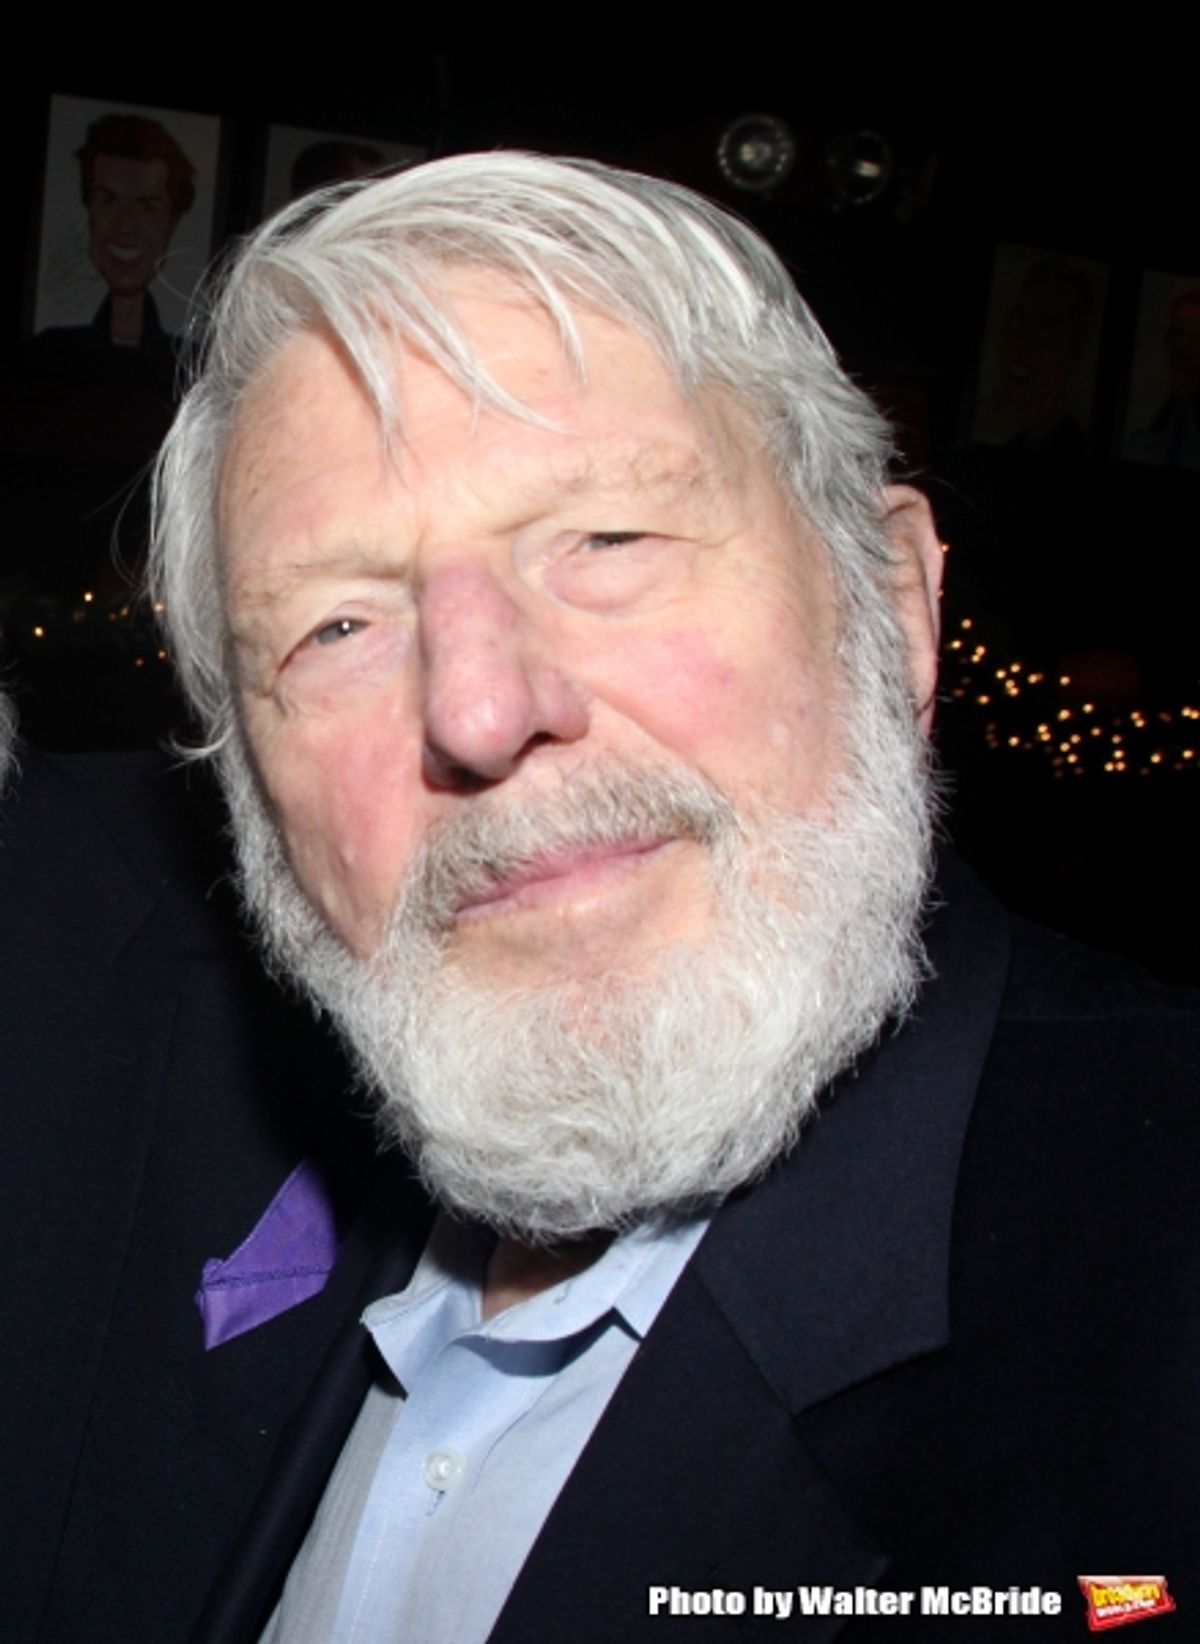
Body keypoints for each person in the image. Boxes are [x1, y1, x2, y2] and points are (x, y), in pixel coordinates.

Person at [14, 155, 1199, 1640]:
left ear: (893, 603)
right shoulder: (185, 1197)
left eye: (609, 542)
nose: (482, 707)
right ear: (253, 795)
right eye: (334, 627)